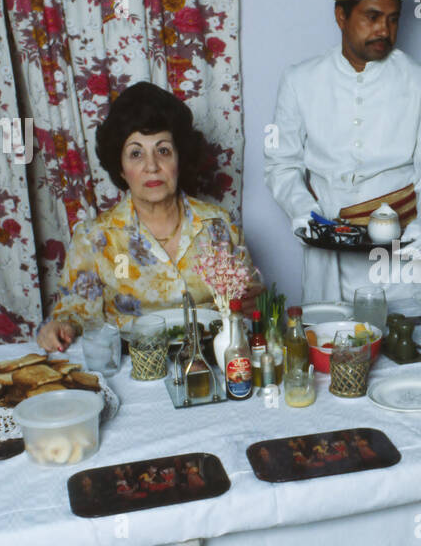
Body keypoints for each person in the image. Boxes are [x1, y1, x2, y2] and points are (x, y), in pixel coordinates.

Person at [264, 0, 421, 303]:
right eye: (371, 17)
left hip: (405, 259)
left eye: (393, 18)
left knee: (410, 358)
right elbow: (281, 165)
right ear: (341, 15)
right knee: (329, 354)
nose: (383, 30)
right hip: (329, 254)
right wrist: (302, 211)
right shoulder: (298, 80)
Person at [37, 82, 261, 352]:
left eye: (163, 150)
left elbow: (249, 302)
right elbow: (72, 313)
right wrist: (61, 327)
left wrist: (254, 302)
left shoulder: (219, 225)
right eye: (136, 153)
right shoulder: (95, 237)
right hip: (132, 371)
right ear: (120, 168)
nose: (152, 166)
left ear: (180, 158)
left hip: (210, 363)